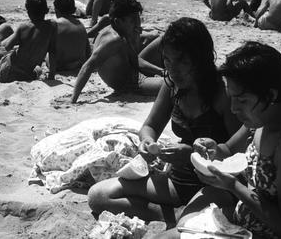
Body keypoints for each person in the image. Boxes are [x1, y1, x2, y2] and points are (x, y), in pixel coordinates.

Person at [158, 42, 281, 239]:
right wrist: (212, 149)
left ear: (270, 95)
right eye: (231, 98)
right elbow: (227, 149)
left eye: (241, 100)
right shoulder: (264, 117)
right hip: (250, 225)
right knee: (176, 231)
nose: (233, 108)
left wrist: (233, 186)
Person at [87, 18, 241, 225]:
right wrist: (147, 142)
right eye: (167, 61)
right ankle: (172, 216)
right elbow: (150, 126)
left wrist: (192, 155)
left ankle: (183, 217)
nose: (172, 69)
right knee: (98, 196)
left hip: (216, 185)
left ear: (200, 59)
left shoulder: (224, 93)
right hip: (177, 183)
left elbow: (239, 156)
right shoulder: (172, 86)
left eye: (181, 61)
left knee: (192, 221)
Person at [72, 0, 163, 103]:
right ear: (118, 21)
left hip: (134, 70)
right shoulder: (114, 40)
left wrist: (161, 71)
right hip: (132, 83)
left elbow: (135, 59)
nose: (137, 23)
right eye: (132, 20)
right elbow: (88, 66)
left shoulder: (116, 30)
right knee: (169, 84)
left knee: (164, 39)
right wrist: (73, 99)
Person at [51, 0, 90, 74]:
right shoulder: (80, 24)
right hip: (77, 64)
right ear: (73, 9)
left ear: (56, 9)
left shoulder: (55, 24)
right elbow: (88, 51)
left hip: (60, 66)